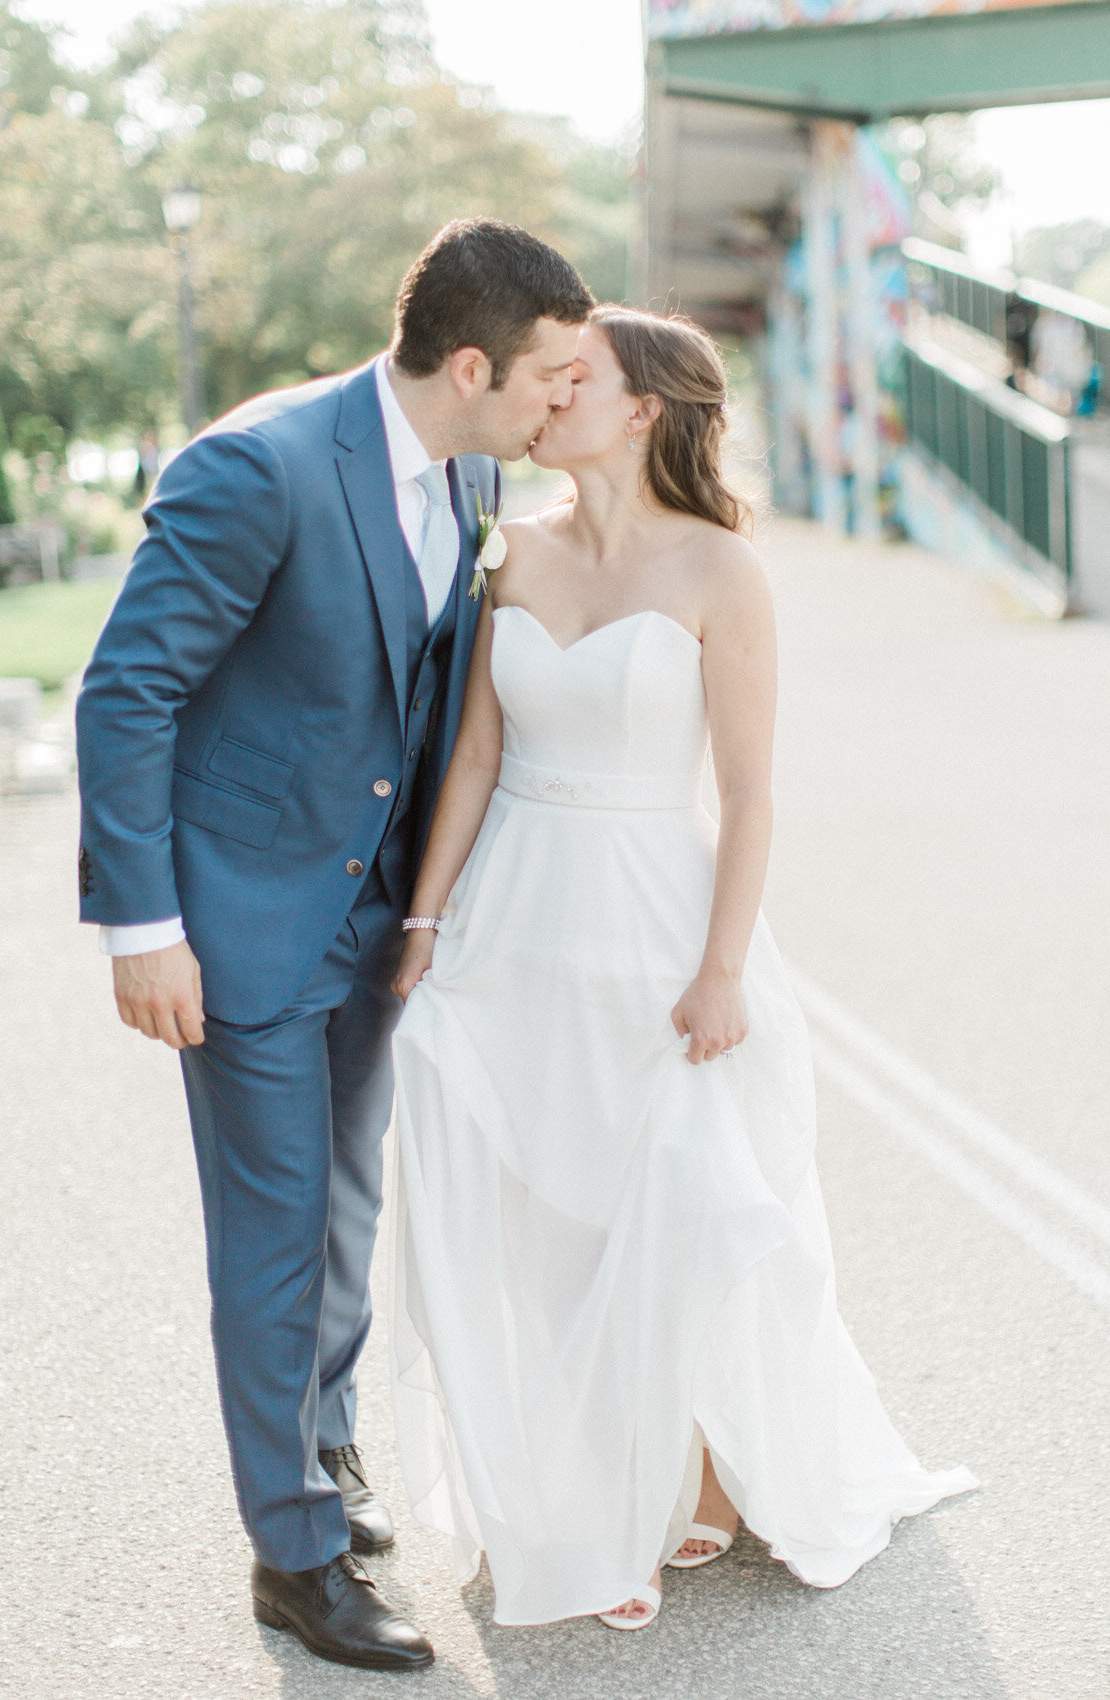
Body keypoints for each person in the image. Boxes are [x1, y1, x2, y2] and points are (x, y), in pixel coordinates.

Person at [388, 306, 977, 1631]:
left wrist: (722, 972)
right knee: (540, 1203)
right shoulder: (513, 555)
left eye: (576, 380)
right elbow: (477, 758)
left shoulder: (722, 572)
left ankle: (707, 1461)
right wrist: (424, 927)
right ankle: (578, 1491)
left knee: (690, 1197)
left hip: (658, 920)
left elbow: (752, 793)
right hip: (515, 917)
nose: (549, 399)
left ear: (645, 406)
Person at [75, 218, 593, 1670]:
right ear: (475, 364)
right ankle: (292, 1556)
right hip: (237, 921)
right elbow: (125, 696)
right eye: (552, 376)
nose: (566, 399)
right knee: (277, 1236)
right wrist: (143, 928)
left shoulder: (476, 465)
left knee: (347, 1224)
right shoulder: (265, 464)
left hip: (372, 927)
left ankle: (325, 1455)